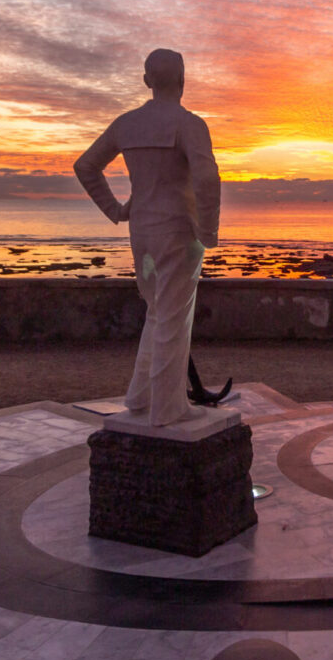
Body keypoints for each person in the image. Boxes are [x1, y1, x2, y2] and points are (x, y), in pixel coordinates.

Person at [73, 48, 222, 425]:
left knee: (157, 314)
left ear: (146, 81)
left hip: (142, 231)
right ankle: (169, 408)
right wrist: (209, 231)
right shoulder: (190, 124)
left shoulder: (127, 124)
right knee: (173, 318)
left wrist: (117, 209)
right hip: (179, 233)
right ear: (183, 79)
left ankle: (140, 398)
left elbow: (86, 166)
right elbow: (206, 178)